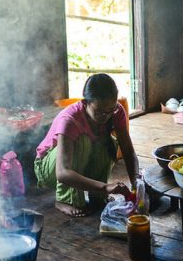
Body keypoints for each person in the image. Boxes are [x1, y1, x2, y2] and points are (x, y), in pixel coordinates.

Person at [34, 73, 140, 217]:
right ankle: (65, 199)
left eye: (111, 110)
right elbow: (63, 172)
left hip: (77, 165)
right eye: (100, 112)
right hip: (50, 169)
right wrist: (105, 187)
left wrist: (136, 182)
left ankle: (97, 195)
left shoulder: (116, 111)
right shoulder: (70, 119)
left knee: (110, 143)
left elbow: (127, 150)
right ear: (85, 103)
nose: (107, 116)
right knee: (82, 142)